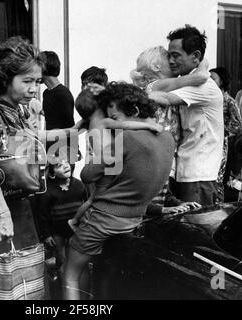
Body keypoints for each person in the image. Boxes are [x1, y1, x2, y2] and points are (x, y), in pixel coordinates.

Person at [63, 82, 175, 300]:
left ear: (133, 111)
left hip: (104, 219)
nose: (114, 124)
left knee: (71, 271)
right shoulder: (168, 139)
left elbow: (87, 175)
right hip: (135, 219)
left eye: (116, 119)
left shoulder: (127, 139)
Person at [0, 36, 45, 257]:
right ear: (5, 78)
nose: (33, 89)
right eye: (27, 81)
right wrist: (3, 214)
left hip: (22, 207)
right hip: (2, 210)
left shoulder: (17, 110)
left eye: (37, 82)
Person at [149, 25, 224, 206]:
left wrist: (136, 92)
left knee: (196, 228)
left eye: (176, 55)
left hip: (198, 175)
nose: (171, 61)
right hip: (186, 170)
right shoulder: (191, 79)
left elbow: (165, 98)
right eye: (169, 55)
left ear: (196, 56)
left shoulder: (203, 87)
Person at [68, 88, 163, 229]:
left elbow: (74, 128)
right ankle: (75, 221)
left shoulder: (90, 123)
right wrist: (149, 125)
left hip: (101, 166)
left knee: (93, 198)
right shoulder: (104, 122)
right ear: (100, 106)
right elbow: (125, 125)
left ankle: (76, 220)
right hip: (107, 167)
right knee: (95, 200)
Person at [35, 151, 88, 282]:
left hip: (76, 230)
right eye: (59, 165)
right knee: (61, 257)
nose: (65, 166)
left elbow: (87, 205)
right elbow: (42, 215)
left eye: (66, 162)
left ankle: (74, 281)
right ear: (52, 174)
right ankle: (62, 283)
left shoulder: (79, 185)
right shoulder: (48, 191)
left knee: (75, 257)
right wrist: (46, 235)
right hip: (57, 232)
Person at [209, 67, 242, 203]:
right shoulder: (209, 97)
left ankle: (218, 205)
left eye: (213, 78)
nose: (209, 81)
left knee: (218, 175)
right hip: (208, 141)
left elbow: (238, 125)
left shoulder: (229, 101)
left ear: (222, 81)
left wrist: (221, 131)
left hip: (221, 144)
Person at [40, 51, 75, 130]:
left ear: (44, 67)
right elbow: (48, 122)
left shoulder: (63, 94)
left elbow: (70, 128)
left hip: (63, 141)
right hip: (49, 140)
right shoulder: (46, 93)